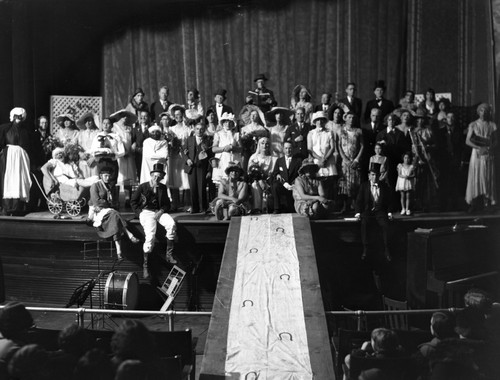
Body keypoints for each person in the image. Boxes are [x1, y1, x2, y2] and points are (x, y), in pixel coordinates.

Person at [131, 163, 177, 278]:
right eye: (154, 176)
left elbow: (167, 204)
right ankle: (145, 266)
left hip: (159, 212)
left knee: (171, 224)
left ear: (162, 178)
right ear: (151, 176)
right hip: (146, 212)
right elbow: (133, 201)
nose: (156, 178)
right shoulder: (143, 187)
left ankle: (169, 254)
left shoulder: (163, 188)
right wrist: (139, 213)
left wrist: (161, 212)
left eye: (159, 176)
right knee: (150, 236)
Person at [0, 108, 41, 215]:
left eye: (20, 116)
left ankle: (19, 208)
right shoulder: (5, 128)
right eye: (16, 116)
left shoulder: (26, 130)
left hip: (22, 157)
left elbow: (31, 147)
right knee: (9, 180)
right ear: (12, 116)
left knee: (20, 180)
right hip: (9, 157)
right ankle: (7, 207)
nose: (18, 118)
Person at [355, 164, 393, 261]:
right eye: (372, 175)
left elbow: (389, 201)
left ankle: (387, 249)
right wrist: (358, 213)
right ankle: (365, 249)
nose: (374, 177)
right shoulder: (364, 186)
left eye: (376, 175)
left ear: (379, 176)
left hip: (379, 211)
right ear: (369, 176)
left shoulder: (384, 186)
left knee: (385, 225)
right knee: (364, 223)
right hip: (367, 211)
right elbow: (359, 201)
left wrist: (389, 212)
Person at [465, 103, 497, 211]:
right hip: (477, 153)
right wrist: (478, 148)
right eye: (482, 110)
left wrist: (490, 147)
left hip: (488, 152)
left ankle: (487, 201)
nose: (484, 113)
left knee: (487, 175)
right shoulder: (473, 124)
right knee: (477, 175)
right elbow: (468, 141)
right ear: (479, 112)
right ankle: (475, 202)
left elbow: (496, 140)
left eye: (486, 111)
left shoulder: (492, 125)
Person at [110, 109, 138, 207]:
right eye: (122, 116)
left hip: (129, 154)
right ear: (118, 117)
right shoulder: (113, 127)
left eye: (126, 116)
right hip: (119, 155)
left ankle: (127, 198)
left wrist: (133, 145)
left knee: (128, 177)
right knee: (118, 177)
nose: (125, 118)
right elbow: (112, 140)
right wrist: (120, 151)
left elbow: (133, 139)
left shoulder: (129, 128)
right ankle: (115, 199)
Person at [183, 123, 213, 213]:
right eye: (197, 129)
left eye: (201, 129)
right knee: (193, 187)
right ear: (194, 130)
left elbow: (211, 157)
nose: (199, 131)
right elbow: (183, 152)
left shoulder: (207, 140)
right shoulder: (189, 139)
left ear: (204, 130)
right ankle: (194, 208)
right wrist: (187, 159)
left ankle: (203, 207)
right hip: (192, 167)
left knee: (202, 187)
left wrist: (209, 170)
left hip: (202, 167)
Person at [338, 111, 363, 213]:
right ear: (345, 118)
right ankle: (345, 205)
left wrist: (357, 159)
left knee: (355, 183)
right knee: (345, 183)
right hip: (345, 161)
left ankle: (355, 206)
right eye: (349, 117)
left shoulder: (358, 131)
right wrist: (344, 158)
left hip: (355, 161)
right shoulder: (341, 130)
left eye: (353, 117)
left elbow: (362, 146)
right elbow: (339, 145)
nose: (351, 119)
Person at [167, 104, 191, 211]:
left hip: (184, 157)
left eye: (180, 114)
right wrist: (172, 144)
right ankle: (175, 203)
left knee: (185, 179)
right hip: (174, 156)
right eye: (176, 115)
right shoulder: (171, 129)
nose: (178, 117)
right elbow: (168, 142)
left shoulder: (188, 129)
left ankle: (187, 203)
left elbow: (190, 142)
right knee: (175, 179)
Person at [248, 137, 277, 213]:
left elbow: (275, 173)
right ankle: (257, 209)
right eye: (262, 143)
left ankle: (266, 208)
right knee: (255, 186)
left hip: (270, 181)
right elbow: (250, 173)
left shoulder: (274, 158)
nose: (265, 145)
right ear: (259, 145)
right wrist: (259, 179)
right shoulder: (253, 157)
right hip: (256, 181)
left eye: (267, 144)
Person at [271, 141, 301, 213]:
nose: (288, 150)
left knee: (291, 209)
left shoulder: (298, 161)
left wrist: (295, 183)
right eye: (286, 148)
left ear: (293, 149)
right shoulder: (279, 161)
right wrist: (277, 175)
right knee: (275, 186)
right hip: (283, 184)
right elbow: (275, 173)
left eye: (290, 148)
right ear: (283, 149)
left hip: (293, 185)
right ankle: (276, 208)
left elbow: (300, 174)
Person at [211, 112, 242, 183]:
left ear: (233, 123)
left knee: (234, 182)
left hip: (233, 159)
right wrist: (224, 148)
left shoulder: (236, 135)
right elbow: (213, 149)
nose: (227, 124)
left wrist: (232, 147)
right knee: (222, 182)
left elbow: (241, 149)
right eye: (225, 122)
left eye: (230, 122)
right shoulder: (218, 134)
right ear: (222, 123)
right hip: (222, 159)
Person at [75, 111, 100, 178]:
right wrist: (81, 154)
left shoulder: (97, 133)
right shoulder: (80, 134)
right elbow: (77, 146)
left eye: (90, 121)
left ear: (93, 121)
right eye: (86, 121)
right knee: (84, 181)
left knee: (94, 180)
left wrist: (94, 157)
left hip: (94, 160)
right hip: (83, 160)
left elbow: (100, 147)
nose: (88, 123)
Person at [131, 110, 150, 181]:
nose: (143, 118)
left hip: (148, 153)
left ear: (148, 117)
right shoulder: (135, 129)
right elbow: (133, 141)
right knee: (139, 170)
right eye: (142, 116)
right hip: (139, 154)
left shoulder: (151, 128)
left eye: (145, 116)